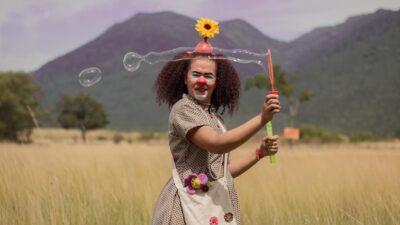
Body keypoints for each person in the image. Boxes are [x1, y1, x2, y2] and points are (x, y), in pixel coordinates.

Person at [151, 50, 280, 225]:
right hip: (185, 207)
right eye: (196, 74)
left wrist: (259, 153)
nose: (202, 80)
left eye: (208, 76)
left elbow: (222, 174)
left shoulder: (214, 118)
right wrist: (262, 119)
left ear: (217, 82)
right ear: (184, 78)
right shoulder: (183, 109)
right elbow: (216, 144)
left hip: (212, 205)